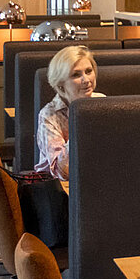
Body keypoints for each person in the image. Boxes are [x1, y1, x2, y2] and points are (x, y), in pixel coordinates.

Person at [37, 45, 103, 182]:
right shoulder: (49, 115)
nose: (86, 80)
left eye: (89, 71)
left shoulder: (102, 103)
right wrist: (81, 123)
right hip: (60, 189)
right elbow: (62, 172)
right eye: (76, 75)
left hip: (95, 180)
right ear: (61, 84)